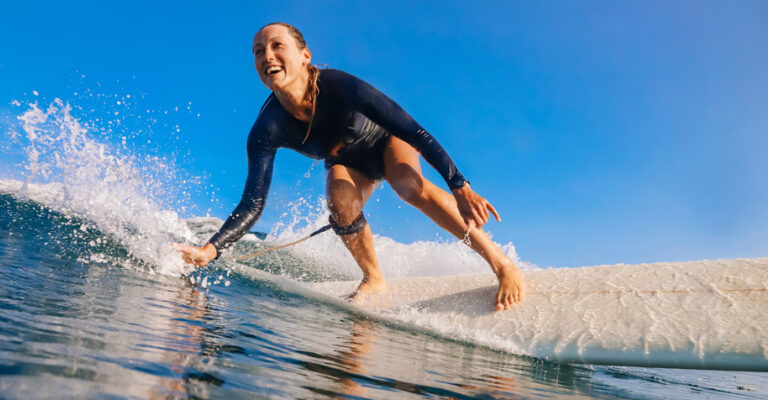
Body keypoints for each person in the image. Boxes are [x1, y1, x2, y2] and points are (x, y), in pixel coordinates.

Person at [176, 22, 526, 311]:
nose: (267, 56)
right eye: (258, 51)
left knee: (407, 185)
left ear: (304, 55)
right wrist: (212, 248)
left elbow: (413, 130)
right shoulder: (267, 129)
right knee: (340, 204)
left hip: (388, 142)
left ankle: (502, 265)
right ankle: (374, 278)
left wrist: (459, 184)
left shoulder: (339, 86)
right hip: (348, 160)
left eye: (277, 46)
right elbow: (253, 202)